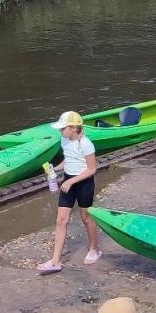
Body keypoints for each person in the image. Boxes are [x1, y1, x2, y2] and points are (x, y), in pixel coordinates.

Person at [38, 112, 101, 274]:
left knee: (86, 218)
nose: (60, 131)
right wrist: (55, 168)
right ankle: (55, 261)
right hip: (68, 182)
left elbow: (92, 169)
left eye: (63, 128)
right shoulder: (64, 140)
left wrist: (71, 181)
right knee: (60, 220)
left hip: (84, 184)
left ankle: (94, 249)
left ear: (73, 128)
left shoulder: (86, 144)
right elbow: (69, 159)